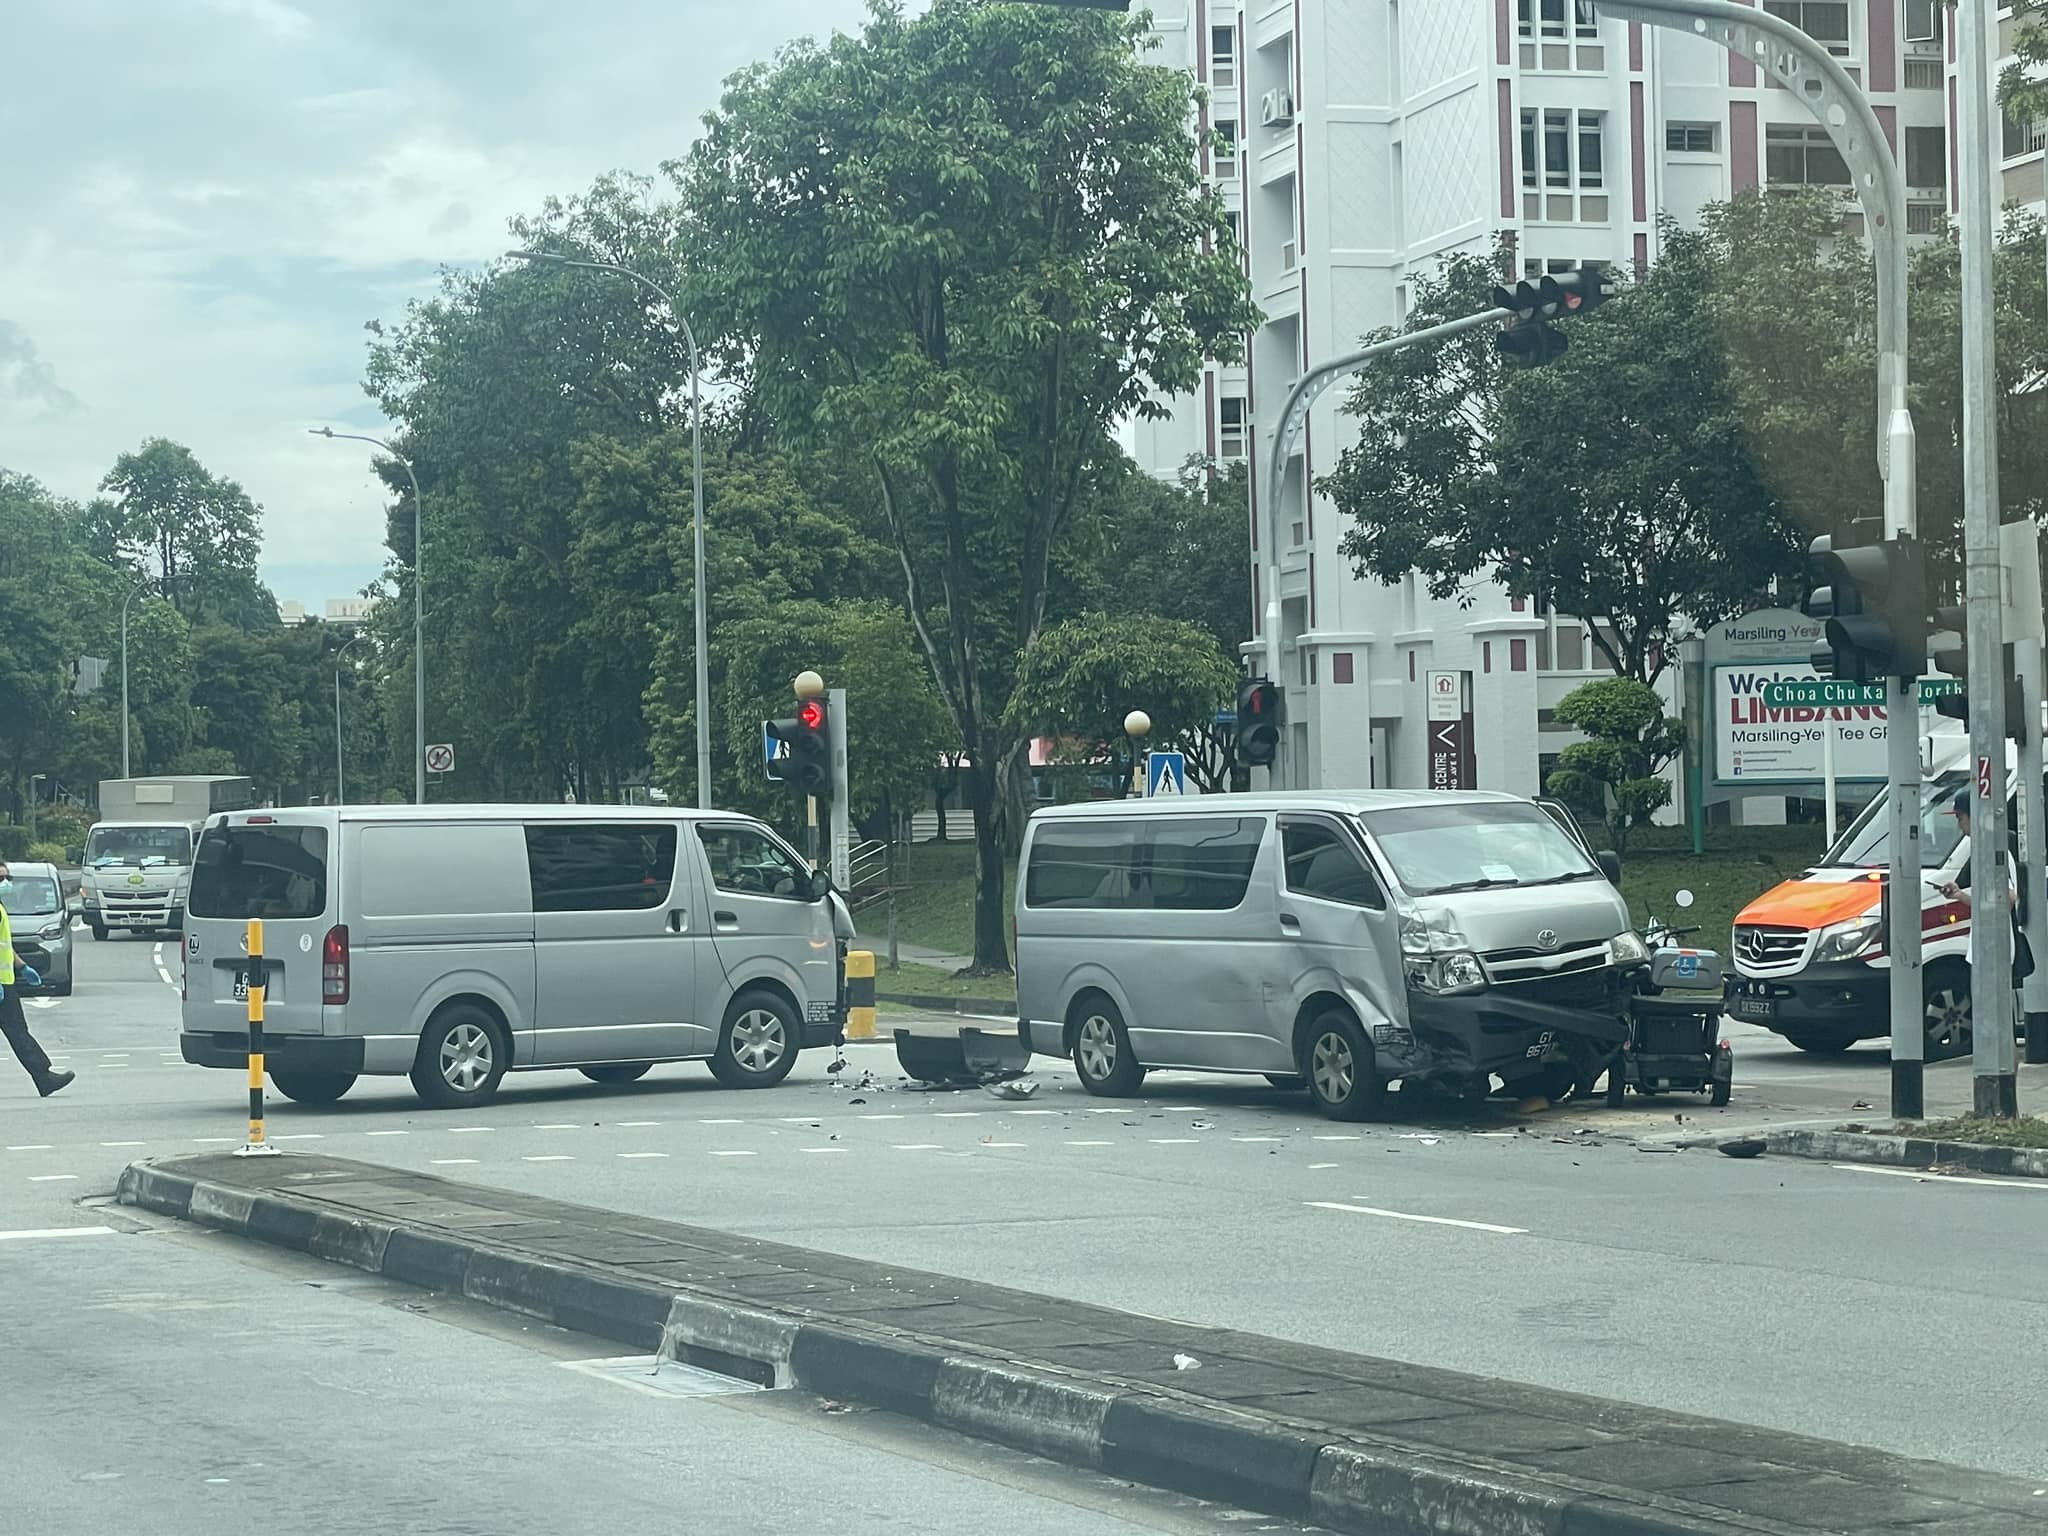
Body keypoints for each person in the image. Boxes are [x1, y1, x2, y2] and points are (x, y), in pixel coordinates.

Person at [0, 863, 74, 1098]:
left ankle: (44, 1076)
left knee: (18, 1032)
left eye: (7, 877)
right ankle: (44, 1077)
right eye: (2, 878)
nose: (7, 883)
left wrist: (22, 967)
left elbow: (4, 947)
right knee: (18, 1032)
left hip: (6, 982)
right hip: (2, 984)